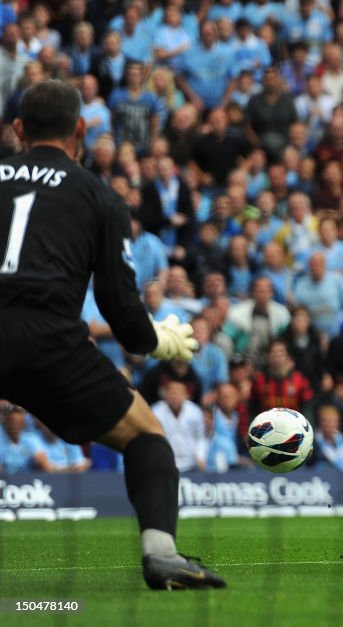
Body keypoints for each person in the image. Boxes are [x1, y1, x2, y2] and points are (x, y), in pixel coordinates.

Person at [0, 80, 224, 588]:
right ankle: (161, 555)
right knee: (146, 436)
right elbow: (121, 312)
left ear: (18, 130)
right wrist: (158, 341)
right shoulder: (100, 197)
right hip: (50, 343)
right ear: (81, 129)